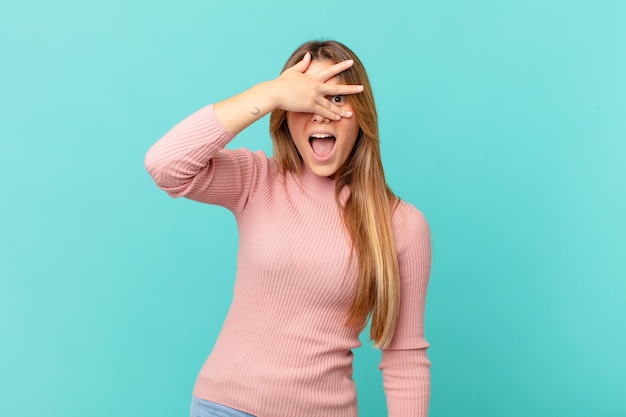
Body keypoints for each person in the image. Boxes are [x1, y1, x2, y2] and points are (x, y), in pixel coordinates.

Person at [145, 40, 432, 417]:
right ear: (285, 114)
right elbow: (165, 165)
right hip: (223, 407)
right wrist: (270, 92)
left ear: (362, 116)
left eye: (336, 98)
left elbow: (405, 359)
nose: (320, 112)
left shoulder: (401, 225)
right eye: (307, 98)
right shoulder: (258, 180)